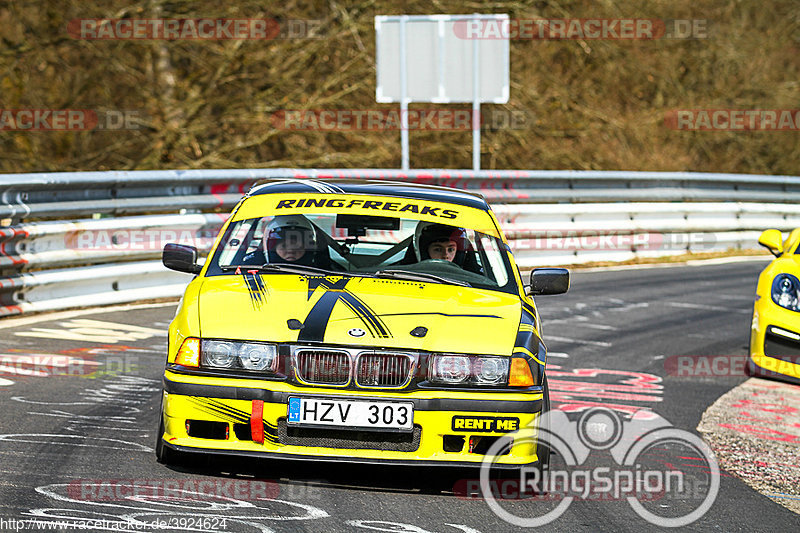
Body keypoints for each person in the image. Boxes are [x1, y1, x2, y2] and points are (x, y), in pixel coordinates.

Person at [241, 215, 320, 267]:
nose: (290, 250)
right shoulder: (251, 270)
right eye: (284, 246)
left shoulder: (324, 271)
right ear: (271, 248)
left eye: (297, 246)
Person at [413, 222, 483, 274]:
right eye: (438, 250)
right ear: (424, 251)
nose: (445, 255)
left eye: (451, 250)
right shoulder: (405, 274)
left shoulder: (475, 281)